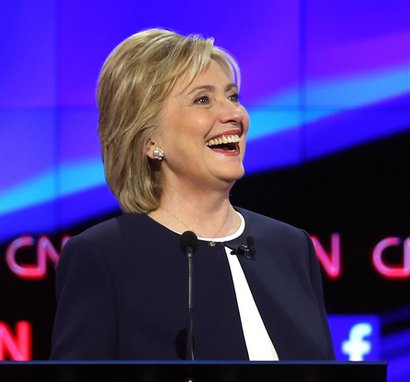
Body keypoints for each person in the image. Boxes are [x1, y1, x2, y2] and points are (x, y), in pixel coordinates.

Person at [51, 29, 335, 361]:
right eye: (203, 99)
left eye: (232, 97)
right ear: (150, 141)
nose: (233, 115)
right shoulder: (103, 257)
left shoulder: (291, 248)